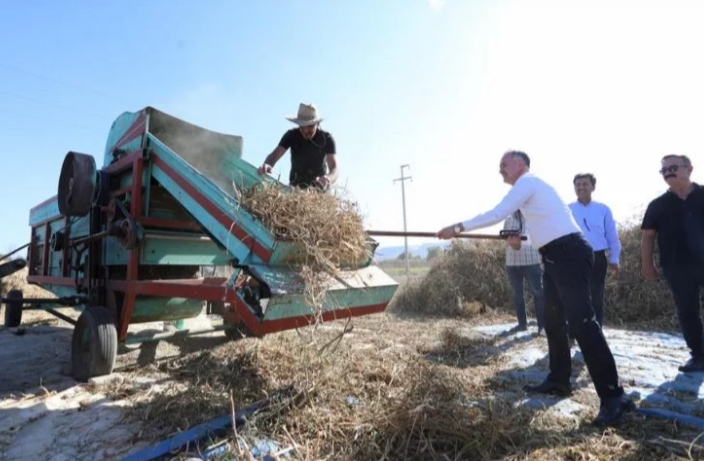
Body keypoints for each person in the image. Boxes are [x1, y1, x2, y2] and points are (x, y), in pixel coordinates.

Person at [436, 150, 634, 427]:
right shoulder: (532, 194)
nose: (500, 171)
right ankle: (559, 379)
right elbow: (544, 234)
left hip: (570, 253)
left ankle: (614, 397)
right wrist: (520, 242)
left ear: (520, 164)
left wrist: (458, 227)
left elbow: (497, 213)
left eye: (504, 165)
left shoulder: (528, 182)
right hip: (554, 255)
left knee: (582, 324)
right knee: (553, 321)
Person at [641, 154, 704, 373]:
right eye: (664, 170)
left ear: (689, 169)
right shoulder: (658, 205)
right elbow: (648, 236)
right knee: (688, 311)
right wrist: (647, 264)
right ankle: (698, 355)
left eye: (673, 167)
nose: (668, 172)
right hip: (677, 266)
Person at [568, 173, 622, 327]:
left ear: (593, 187)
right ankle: (573, 332)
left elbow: (612, 236)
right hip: (574, 258)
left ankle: (596, 331)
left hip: (597, 257)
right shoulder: (567, 210)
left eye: (585, 184)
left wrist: (614, 258)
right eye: (578, 184)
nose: (581, 187)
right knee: (574, 296)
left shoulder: (603, 209)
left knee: (596, 296)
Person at [258, 103, 338, 190]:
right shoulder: (291, 136)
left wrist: (328, 178)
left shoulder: (327, 139)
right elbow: (274, 155)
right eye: (302, 126)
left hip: (319, 194)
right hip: (295, 191)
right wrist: (267, 165)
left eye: (310, 126)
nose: (306, 130)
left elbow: (334, 168)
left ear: (317, 124)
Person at [502, 211, 545, 334]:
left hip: (531, 261)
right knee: (517, 295)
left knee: (538, 293)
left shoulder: (534, 218)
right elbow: (506, 239)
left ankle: (542, 326)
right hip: (512, 262)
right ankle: (522, 324)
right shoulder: (508, 219)